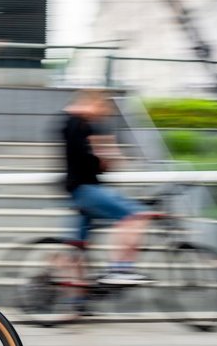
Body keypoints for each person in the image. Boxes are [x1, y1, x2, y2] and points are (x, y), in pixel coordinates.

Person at [62, 89, 152, 285]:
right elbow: (94, 160)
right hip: (85, 190)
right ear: (90, 103)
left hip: (84, 189)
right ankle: (120, 268)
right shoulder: (76, 124)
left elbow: (99, 160)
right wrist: (104, 157)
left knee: (78, 247)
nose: (104, 113)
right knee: (134, 216)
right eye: (101, 107)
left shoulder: (82, 125)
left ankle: (76, 301)